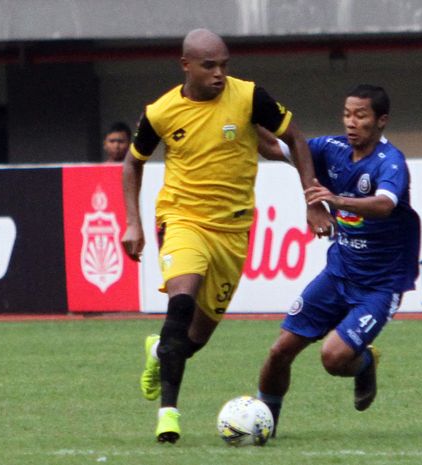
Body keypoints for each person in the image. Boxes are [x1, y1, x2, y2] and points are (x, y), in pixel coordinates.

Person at [121, 28, 329, 443]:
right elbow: (132, 162)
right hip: (182, 219)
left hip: (233, 231)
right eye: (209, 65)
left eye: (224, 65)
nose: (219, 73)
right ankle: (169, 417)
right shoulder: (161, 111)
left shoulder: (250, 97)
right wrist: (134, 221)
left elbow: (295, 138)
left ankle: (158, 352)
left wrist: (311, 199)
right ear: (186, 65)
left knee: (193, 338)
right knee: (180, 303)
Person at [255, 84, 421, 435]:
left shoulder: (390, 162)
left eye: (361, 115)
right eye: (347, 114)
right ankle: (263, 426)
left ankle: (363, 365)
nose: (351, 122)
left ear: (381, 121)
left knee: (333, 359)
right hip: (339, 273)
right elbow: (273, 147)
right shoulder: (330, 149)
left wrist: (336, 200)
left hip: (380, 285)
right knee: (279, 350)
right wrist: (242, 114)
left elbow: (385, 205)